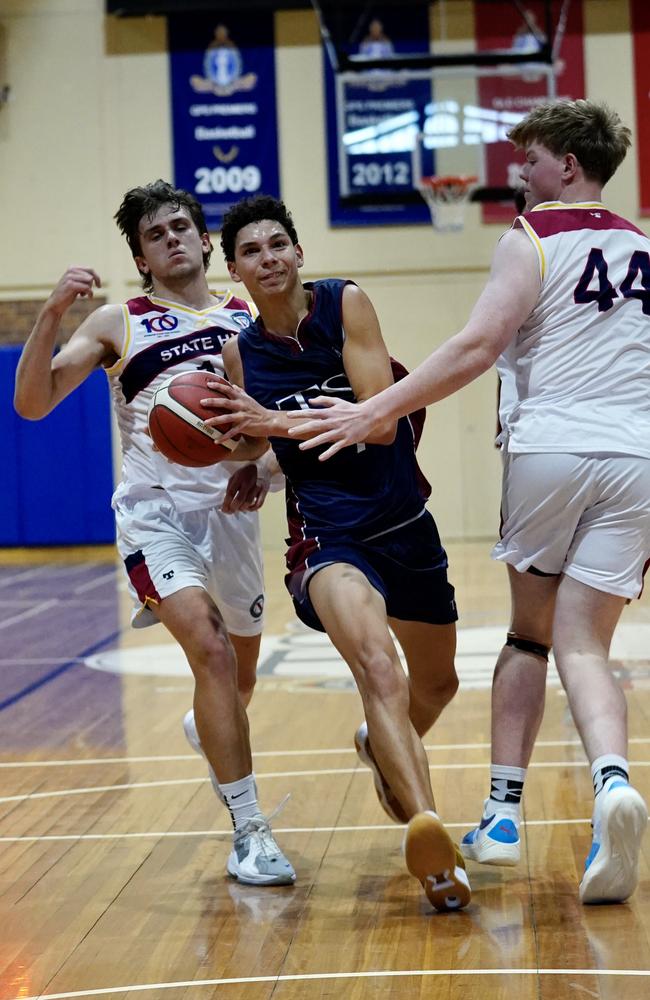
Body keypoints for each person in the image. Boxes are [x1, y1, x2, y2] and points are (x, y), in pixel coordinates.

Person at [287, 98, 650, 905]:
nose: (519, 172)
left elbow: (477, 346)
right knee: (586, 644)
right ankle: (615, 784)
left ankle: (503, 816)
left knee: (530, 634)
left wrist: (377, 408)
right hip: (640, 456)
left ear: (566, 163)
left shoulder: (533, 239)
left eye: (531, 158)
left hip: (555, 445)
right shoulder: (645, 245)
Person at [13, 179, 295, 888]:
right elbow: (32, 402)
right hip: (155, 515)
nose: (170, 238)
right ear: (141, 254)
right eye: (154, 234)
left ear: (205, 240)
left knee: (240, 674)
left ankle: (215, 727)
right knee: (211, 654)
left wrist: (264, 470)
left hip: (231, 517)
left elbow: (280, 423)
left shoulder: (250, 315)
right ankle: (250, 831)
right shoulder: (119, 322)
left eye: (180, 227)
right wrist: (50, 314)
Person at [197, 194, 471, 914]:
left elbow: (378, 423)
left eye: (279, 244)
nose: (269, 258)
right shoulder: (239, 353)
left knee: (436, 687)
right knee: (378, 668)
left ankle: (380, 750)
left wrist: (269, 424)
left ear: (299, 253)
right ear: (236, 270)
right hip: (327, 537)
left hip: (403, 521)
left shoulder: (346, 304)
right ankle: (431, 842)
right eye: (252, 251)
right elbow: (258, 437)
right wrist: (247, 457)